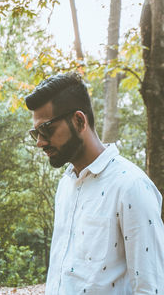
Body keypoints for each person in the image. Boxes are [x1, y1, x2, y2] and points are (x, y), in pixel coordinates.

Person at [25, 72, 164, 295]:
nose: (40, 142)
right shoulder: (65, 186)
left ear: (79, 121)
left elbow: (151, 288)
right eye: (35, 133)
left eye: (47, 129)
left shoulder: (131, 186)